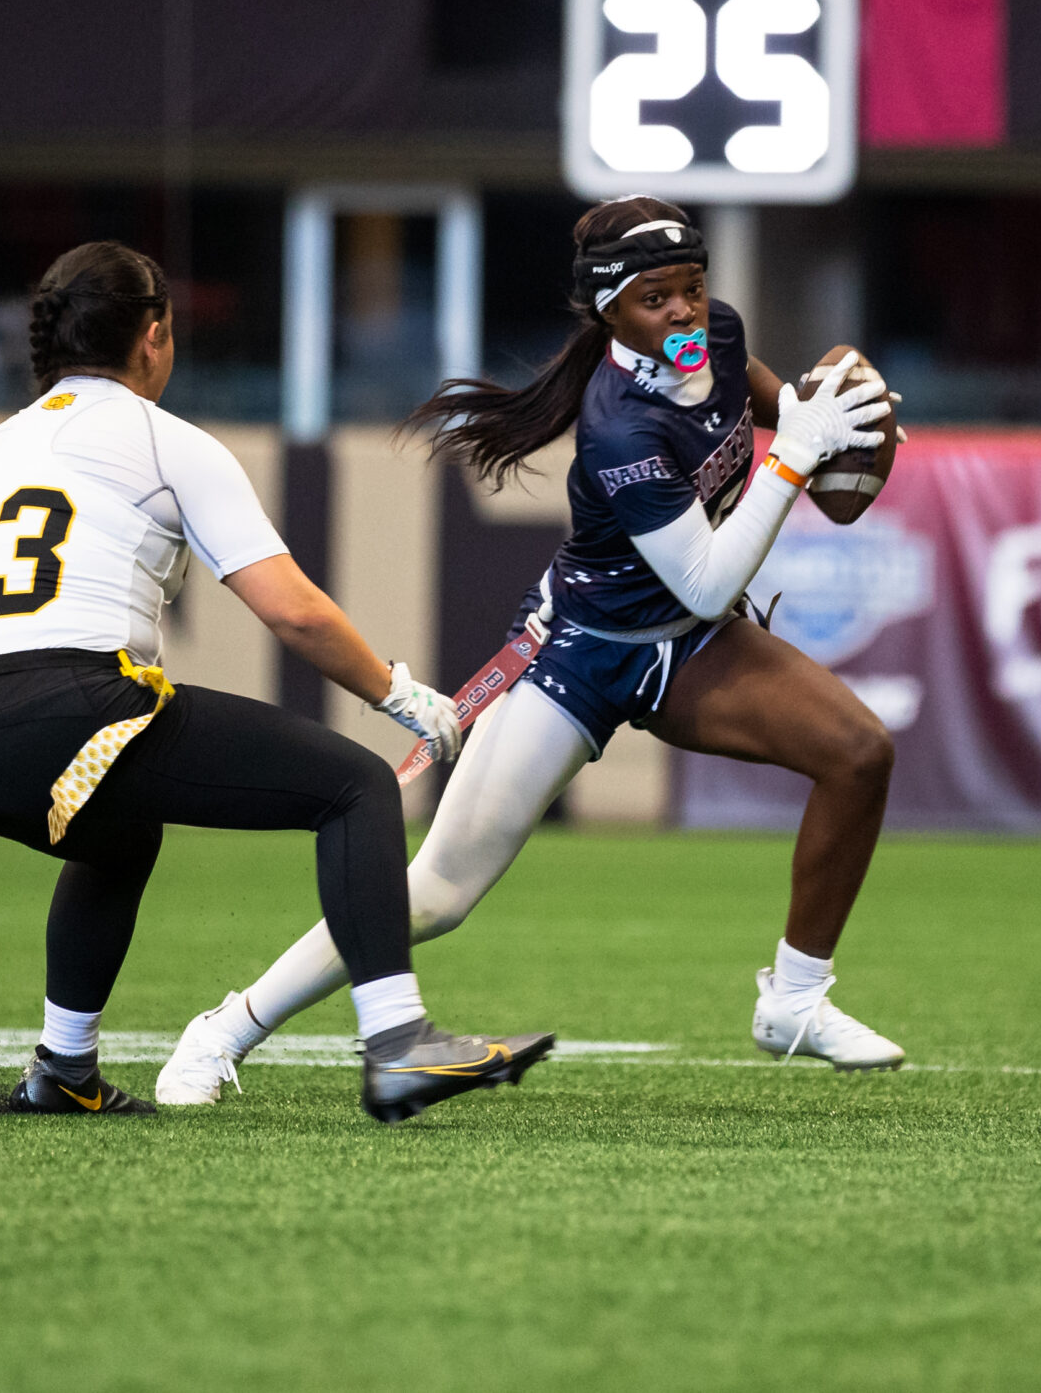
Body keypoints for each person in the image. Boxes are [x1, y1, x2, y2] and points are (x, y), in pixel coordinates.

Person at [158, 197, 903, 1106]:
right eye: (656, 297)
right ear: (610, 312)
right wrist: (793, 459)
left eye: (693, 286)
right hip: (580, 654)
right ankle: (224, 1028)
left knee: (859, 751)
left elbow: (799, 441)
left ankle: (794, 998)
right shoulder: (618, 425)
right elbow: (707, 579)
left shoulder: (718, 333)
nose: (683, 310)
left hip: (687, 645)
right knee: (437, 892)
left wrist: (835, 428)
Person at [0, 240, 552, 1122]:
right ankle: (398, 1041)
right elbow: (295, 612)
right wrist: (399, 693)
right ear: (154, 334)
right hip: (64, 714)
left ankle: (63, 1067)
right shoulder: (164, 440)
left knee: (118, 834)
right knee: (355, 786)